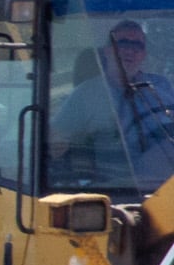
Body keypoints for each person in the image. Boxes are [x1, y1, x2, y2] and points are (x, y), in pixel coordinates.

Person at [51, 19, 174, 185]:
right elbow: (56, 140)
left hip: (166, 186)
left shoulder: (161, 86)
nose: (130, 50)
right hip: (116, 187)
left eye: (137, 45)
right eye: (123, 43)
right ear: (107, 50)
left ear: (144, 54)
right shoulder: (86, 94)